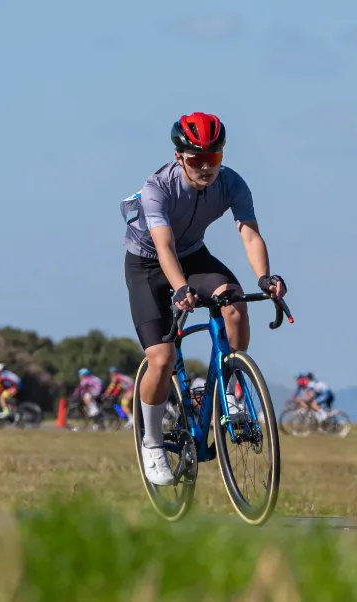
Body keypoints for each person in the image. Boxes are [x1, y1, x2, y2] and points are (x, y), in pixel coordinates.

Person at [120, 112, 287, 486]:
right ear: (179, 157)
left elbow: (249, 234)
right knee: (161, 359)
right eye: (197, 160)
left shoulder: (232, 183)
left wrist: (264, 277)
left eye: (214, 158)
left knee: (235, 303)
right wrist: (180, 288)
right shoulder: (158, 188)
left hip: (194, 255)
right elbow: (164, 248)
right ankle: (151, 442)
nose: (207, 167)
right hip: (148, 264)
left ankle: (231, 392)